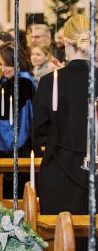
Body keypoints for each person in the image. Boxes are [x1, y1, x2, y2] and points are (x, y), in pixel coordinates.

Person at [32, 14, 97, 216]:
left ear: (67, 44)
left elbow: (37, 132)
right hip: (94, 171)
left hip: (58, 172)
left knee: (58, 242)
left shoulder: (50, 82)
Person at [0, 42, 36, 197]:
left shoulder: (20, 82)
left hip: (15, 143)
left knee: (12, 189)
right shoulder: (19, 80)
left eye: (7, 65)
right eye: (1, 65)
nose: (3, 69)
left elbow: (4, 113)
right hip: (18, 141)